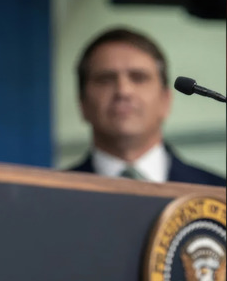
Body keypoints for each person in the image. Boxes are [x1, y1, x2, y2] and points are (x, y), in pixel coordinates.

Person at [69, 27, 225, 186]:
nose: (123, 91)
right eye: (105, 80)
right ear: (82, 103)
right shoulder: (52, 196)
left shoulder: (217, 192)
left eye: (138, 78)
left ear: (166, 100)